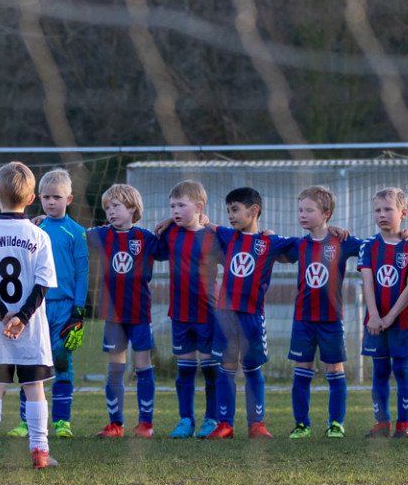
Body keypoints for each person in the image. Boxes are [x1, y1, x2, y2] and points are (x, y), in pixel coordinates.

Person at [0, 161, 60, 470]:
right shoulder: (39, 236)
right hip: (30, 328)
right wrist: (21, 317)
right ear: (32, 198)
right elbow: (43, 283)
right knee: (34, 388)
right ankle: (40, 451)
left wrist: (4, 316)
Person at [208, 187, 289, 439]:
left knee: (252, 368)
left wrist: (333, 231)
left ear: (254, 210)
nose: (230, 215)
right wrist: (169, 221)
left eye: (235, 210)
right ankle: (225, 424)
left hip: (252, 316)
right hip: (225, 314)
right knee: (226, 367)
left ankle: (257, 425)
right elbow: (203, 222)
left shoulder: (270, 242)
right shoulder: (227, 236)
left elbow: (306, 245)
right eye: (228, 211)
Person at [279, 186, 353, 440]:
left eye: (309, 210)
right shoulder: (298, 245)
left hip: (331, 319)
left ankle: (336, 423)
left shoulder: (341, 241)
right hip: (303, 320)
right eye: (300, 210)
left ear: (326, 214)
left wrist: (404, 234)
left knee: (335, 370)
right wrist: (266, 234)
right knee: (302, 371)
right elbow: (267, 246)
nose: (302, 214)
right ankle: (302, 424)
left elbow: (374, 246)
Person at [86, 183, 159, 438]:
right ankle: (116, 424)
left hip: (139, 314)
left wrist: (170, 223)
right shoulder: (100, 235)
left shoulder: (145, 238)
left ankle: (146, 424)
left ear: (132, 209)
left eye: (116, 206)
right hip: (113, 315)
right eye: (107, 207)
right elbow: (74, 233)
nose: (111, 211)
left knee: (142, 366)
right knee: (115, 369)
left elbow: (170, 246)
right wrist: (47, 220)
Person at [151, 180, 219, 437]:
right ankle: (186, 420)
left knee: (211, 370)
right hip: (180, 313)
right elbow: (152, 249)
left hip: (208, 314)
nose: (175, 211)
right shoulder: (170, 233)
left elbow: (239, 249)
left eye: (181, 205)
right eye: (172, 206)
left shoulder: (213, 236)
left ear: (199, 207)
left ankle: (212, 419)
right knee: (185, 370)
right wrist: (168, 222)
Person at [360, 188, 408, 438]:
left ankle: (404, 424)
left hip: (402, 322)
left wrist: (390, 317)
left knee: (402, 369)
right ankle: (382, 422)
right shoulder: (369, 246)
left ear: (403, 213)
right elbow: (367, 283)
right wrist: (375, 316)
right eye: (377, 210)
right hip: (375, 321)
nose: (382, 214)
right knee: (379, 370)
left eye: (388, 209)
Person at [36, 169, 90, 438]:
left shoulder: (76, 233)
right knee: (34, 363)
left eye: (56, 197)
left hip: (65, 307)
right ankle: (28, 421)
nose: (51, 202)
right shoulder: (36, 230)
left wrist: (78, 311)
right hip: (37, 305)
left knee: (61, 360)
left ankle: (61, 421)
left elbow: (82, 273)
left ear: (69, 199)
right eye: (46, 197)